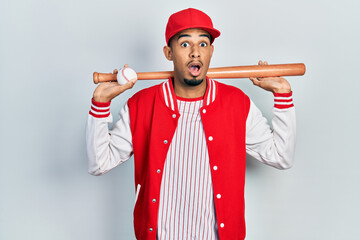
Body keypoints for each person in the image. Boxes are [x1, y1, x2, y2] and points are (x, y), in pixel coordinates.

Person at [86, 8, 296, 240]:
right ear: (168, 52)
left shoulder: (237, 104)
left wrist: (282, 93)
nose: (195, 52)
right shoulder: (141, 105)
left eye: (203, 44)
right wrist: (101, 103)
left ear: (211, 52)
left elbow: (280, 156)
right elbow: (99, 163)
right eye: (185, 44)